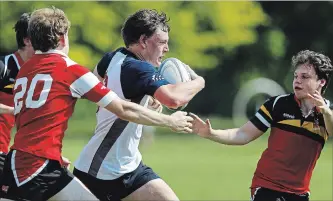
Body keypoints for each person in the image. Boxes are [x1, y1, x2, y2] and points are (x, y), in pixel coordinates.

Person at [0, 7, 193, 201]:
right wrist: (169, 121)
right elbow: (122, 108)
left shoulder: (25, 70)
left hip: (15, 162)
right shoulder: (70, 70)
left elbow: (32, 119)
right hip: (39, 167)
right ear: (62, 38)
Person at [73, 9, 205, 201]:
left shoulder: (112, 57)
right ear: (144, 41)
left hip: (129, 166)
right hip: (100, 172)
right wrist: (200, 81)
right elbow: (174, 100)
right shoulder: (137, 68)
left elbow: (97, 83)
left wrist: (142, 100)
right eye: (162, 42)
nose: (166, 49)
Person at [189, 50, 332, 201]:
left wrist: (325, 111)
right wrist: (211, 133)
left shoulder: (328, 112)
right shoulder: (278, 104)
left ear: (321, 81)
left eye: (305, 77)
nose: (297, 81)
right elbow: (243, 134)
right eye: (296, 76)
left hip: (299, 193)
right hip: (267, 186)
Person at [0, 13, 34, 175]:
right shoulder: (4, 66)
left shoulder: (41, 72)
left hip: (9, 151)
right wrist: (13, 110)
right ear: (27, 40)